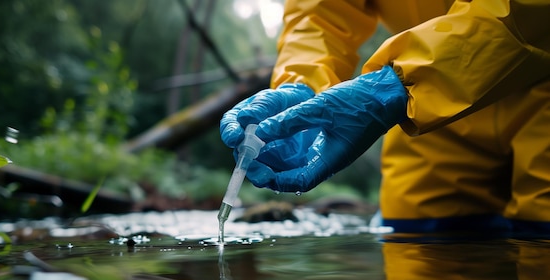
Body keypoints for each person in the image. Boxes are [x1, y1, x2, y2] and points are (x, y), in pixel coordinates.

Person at [220, 0, 550, 233]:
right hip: (427, 114)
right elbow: (320, 13)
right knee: (418, 247)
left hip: (541, 97)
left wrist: (396, 84)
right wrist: (304, 82)